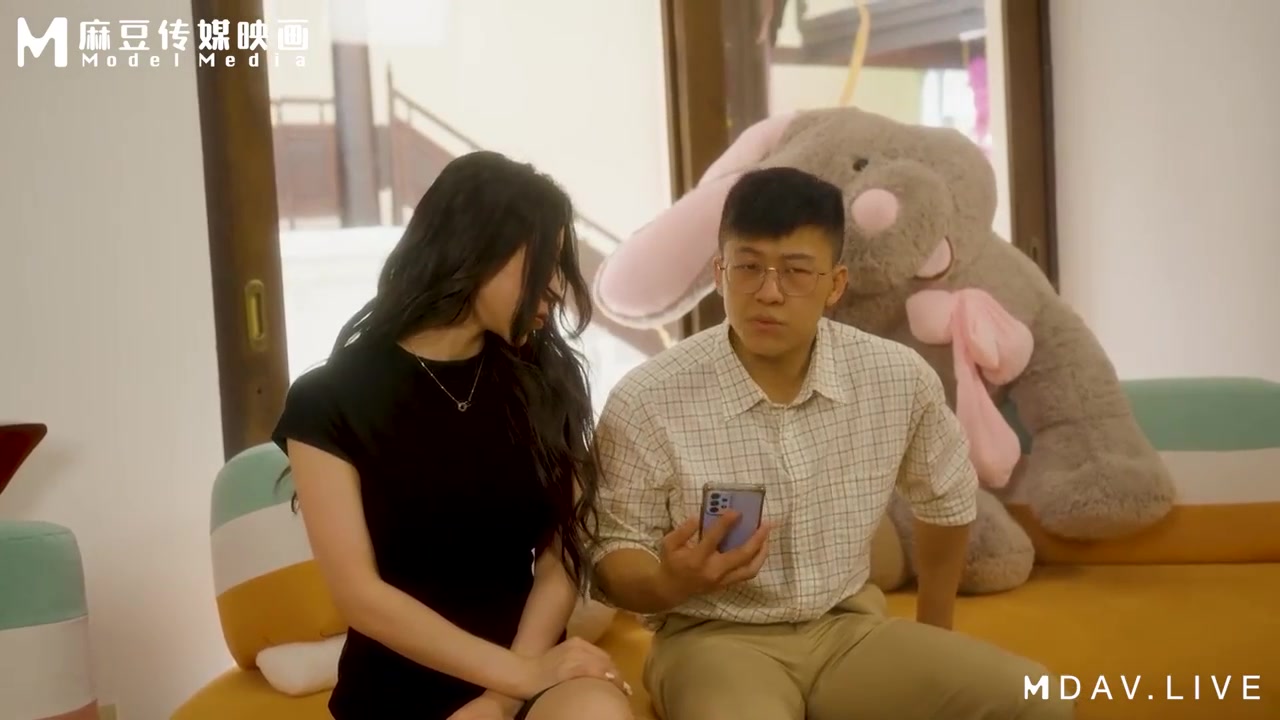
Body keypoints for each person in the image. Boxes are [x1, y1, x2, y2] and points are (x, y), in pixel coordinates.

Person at [589, 167, 1073, 720]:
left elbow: (947, 497)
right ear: (720, 273)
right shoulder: (649, 397)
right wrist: (665, 582)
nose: (769, 292)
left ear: (835, 284)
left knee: (1040, 699)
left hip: (849, 632)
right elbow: (611, 547)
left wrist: (935, 634)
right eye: (748, 267)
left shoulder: (894, 377)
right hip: (713, 639)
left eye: (796, 272)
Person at [271, 151, 634, 720]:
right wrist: (514, 677)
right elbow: (360, 596)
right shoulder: (328, 399)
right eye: (544, 263)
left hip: (528, 667)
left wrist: (502, 697)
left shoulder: (545, 381)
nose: (556, 288)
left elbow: (559, 561)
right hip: (397, 686)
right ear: (477, 249)